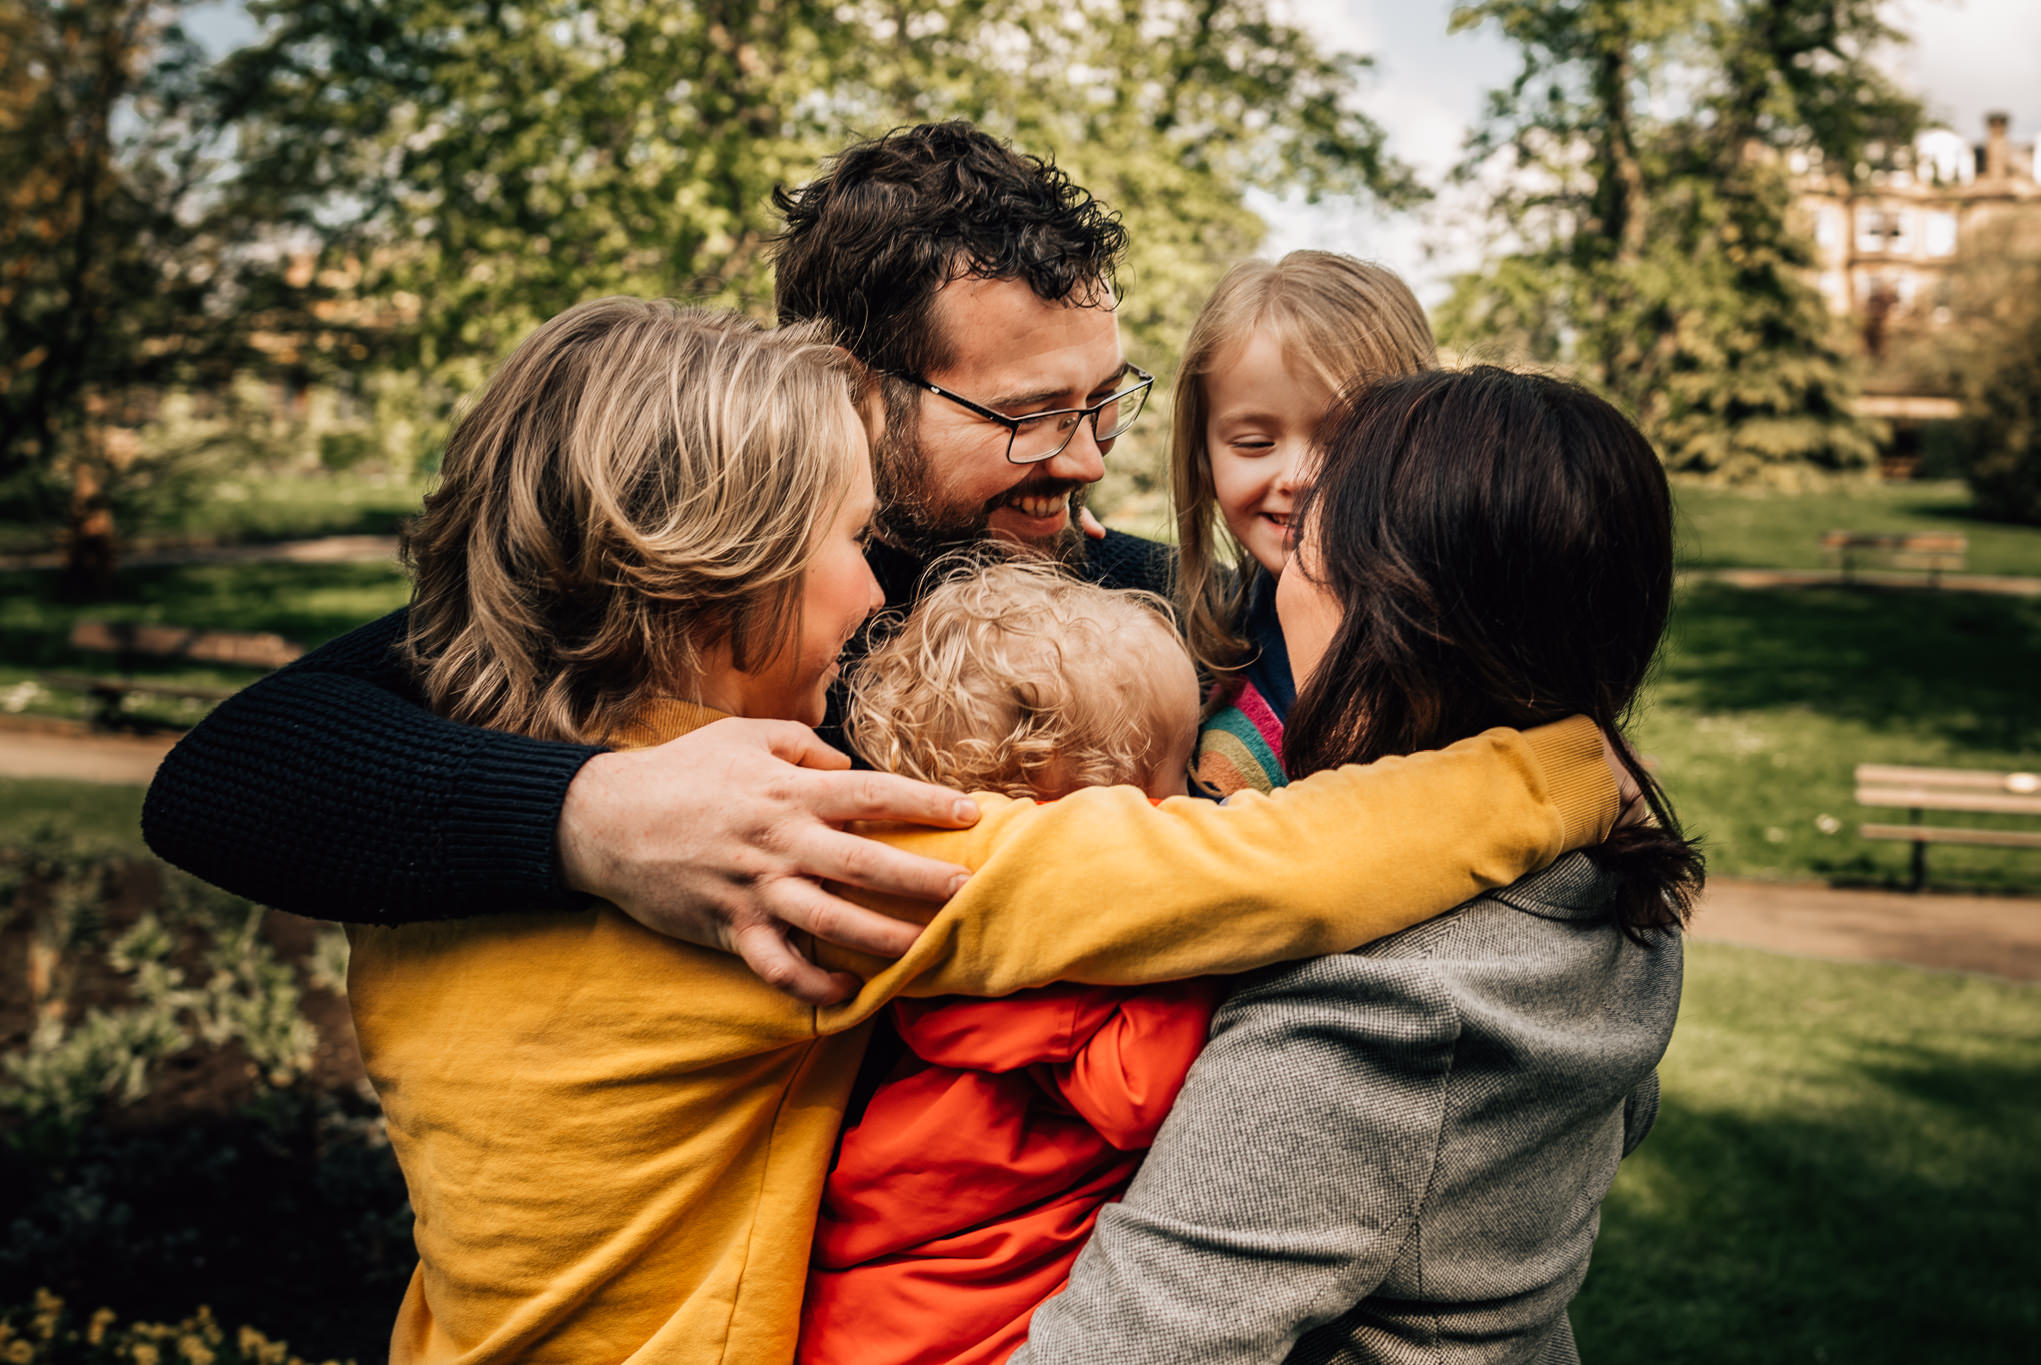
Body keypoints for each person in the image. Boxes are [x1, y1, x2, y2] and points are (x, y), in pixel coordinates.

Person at [352, 300, 1620, 1365]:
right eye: (852, 542)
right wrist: (1556, 771)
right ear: (714, 576)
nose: (872, 589)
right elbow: (1254, 868)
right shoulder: (796, 863)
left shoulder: (420, 855)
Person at [141, 122, 1175, 1000]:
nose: (1083, 459)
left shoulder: (1130, 595)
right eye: (1030, 414)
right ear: (861, 392)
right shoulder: (705, 596)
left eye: (1100, 403)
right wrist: (595, 817)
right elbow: (223, 775)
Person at [1016, 367, 1704, 1365]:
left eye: (1302, 549)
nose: (1275, 583)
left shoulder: (1377, 1013)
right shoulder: (1601, 879)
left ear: (1383, 620)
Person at [800, 559, 1216, 1365]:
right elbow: (1137, 1092)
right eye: (1174, 781)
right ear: (1078, 826)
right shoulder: (1055, 968)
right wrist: (1203, 941)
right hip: (946, 1328)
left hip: (866, 1309)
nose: (1196, 804)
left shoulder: (936, 923)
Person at [1170, 251, 1437, 799]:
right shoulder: (1217, 638)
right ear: (1203, 461)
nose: (1296, 475)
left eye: (1343, 442)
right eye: (1254, 443)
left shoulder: (1458, 648)